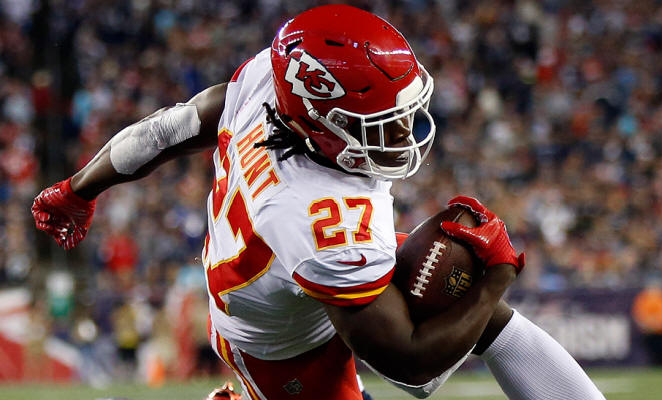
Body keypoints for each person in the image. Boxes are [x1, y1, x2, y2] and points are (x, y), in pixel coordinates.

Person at [32, 5, 603, 399]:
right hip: (281, 344)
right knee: (470, 293)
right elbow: (410, 366)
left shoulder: (275, 83)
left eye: (403, 112)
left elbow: (174, 127)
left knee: (466, 295)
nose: (404, 132)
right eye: (380, 122)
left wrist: (78, 189)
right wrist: (499, 276)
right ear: (323, 127)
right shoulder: (319, 214)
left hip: (271, 264)